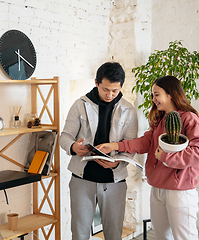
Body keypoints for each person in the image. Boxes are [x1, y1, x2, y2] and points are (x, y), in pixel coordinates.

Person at [98, 75, 199, 240]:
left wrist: (165, 157)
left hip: (180, 191)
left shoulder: (188, 119)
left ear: (170, 94)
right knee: (162, 236)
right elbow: (145, 142)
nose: (153, 99)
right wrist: (115, 146)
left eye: (157, 94)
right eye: (153, 95)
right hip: (157, 187)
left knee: (185, 238)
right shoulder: (160, 119)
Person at [59, 62, 138, 240]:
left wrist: (118, 161)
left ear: (121, 87)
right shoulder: (79, 105)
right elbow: (64, 137)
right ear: (96, 82)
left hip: (115, 182)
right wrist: (73, 147)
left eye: (115, 91)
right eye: (105, 89)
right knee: (79, 234)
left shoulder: (129, 110)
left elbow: (130, 145)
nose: (109, 95)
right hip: (82, 180)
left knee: (113, 235)